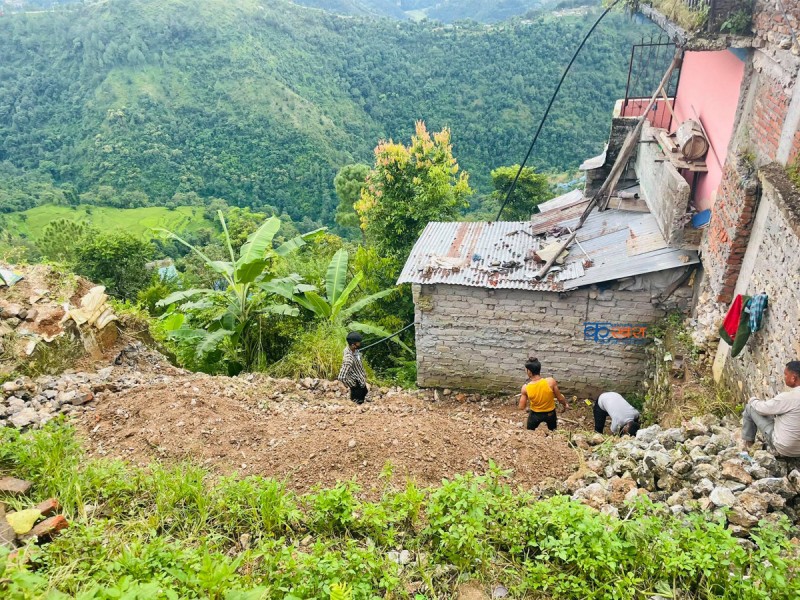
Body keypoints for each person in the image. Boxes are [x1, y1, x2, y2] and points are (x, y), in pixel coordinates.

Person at [741, 360, 800, 457]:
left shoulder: (788, 397)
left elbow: (762, 409)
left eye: (786, 375)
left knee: (750, 407)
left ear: (793, 378)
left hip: (786, 449)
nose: (784, 377)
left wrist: (753, 400)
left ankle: (748, 447)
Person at [518, 357, 569, 431]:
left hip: (535, 415)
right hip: (550, 414)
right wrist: (565, 404)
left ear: (529, 372)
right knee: (553, 432)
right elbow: (560, 398)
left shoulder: (526, 388)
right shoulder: (550, 382)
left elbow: (521, 406)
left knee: (530, 432)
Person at [338, 331, 369, 405]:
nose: (360, 344)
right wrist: (353, 385)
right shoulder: (349, 358)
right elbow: (341, 377)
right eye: (358, 343)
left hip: (361, 381)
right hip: (357, 385)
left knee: (365, 392)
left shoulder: (354, 350)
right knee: (357, 404)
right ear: (353, 345)